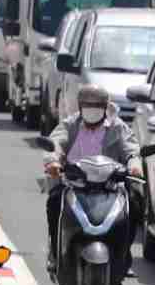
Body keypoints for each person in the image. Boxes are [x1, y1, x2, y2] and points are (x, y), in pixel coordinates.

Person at [43, 84, 140, 272]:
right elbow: (56, 142)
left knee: (135, 204)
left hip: (110, 186)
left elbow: (131, 149)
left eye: (97, 105)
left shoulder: (117, 127)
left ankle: (124, 256)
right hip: (75, 184)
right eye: (87, 105)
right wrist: (53, 162)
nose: (92, 109)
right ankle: (56, 254)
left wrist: (134, 166)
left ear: (105, 106)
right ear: (80, 106)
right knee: (54, 202)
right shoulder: (70, 124)